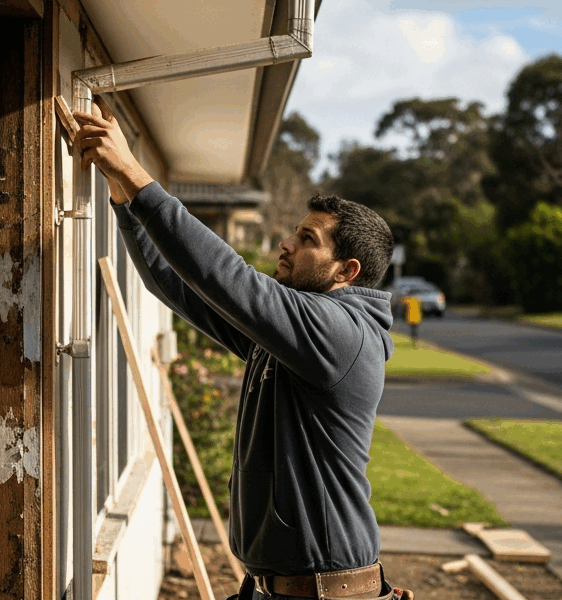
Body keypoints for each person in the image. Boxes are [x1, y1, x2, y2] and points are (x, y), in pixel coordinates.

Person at [73, 102, 411, 600]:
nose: (286, 243)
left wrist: (135, 172)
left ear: (346, 271)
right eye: (295, 231)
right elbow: (178, 286)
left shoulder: (340, 332)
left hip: (323, 593)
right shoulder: (290, 337)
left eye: (307, 239)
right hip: (279, 588)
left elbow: (228, 277)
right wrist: (123, 194)